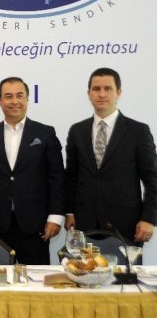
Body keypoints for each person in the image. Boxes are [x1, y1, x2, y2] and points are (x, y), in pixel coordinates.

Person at [0, 77, 65, 264]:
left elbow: (57, 178)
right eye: (8, 96)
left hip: (35, 225)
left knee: (36, 279)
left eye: (19, 96)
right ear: (0, 101)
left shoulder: (45, 133)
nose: (14, 101)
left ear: (27, 99)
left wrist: (55, 217)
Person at [65, 67, 157, 244]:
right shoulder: (77, 131)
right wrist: (69, 212)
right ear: (89, 94)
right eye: (96, 89)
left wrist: (149, 218)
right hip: (84, 224)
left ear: (118, 92)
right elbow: (71, 176)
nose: (101, 94)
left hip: (126, 225)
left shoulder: (138, 131)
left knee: (123, 265)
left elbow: (152, 178)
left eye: (108, 88)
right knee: (84, 264)